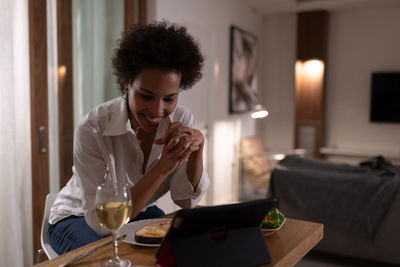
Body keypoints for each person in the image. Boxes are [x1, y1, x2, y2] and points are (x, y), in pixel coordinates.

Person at [47, 21, 210, 255]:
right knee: (111, 258)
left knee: (182, 247)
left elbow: (185, 201)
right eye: (146, 96)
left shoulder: (182, 120)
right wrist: (163, 168)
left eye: (169, 99)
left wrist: (197, 150)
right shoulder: (92, 128)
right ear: (126, 82)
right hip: (78, 216)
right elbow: (102, 223)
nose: (157, 111)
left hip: (138, 209)